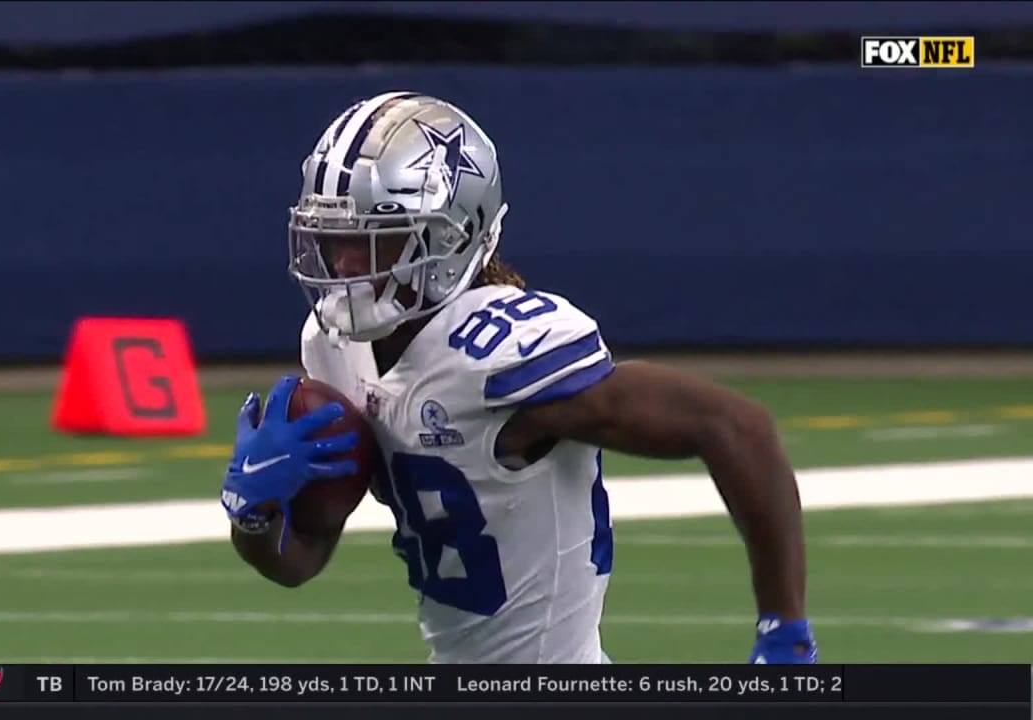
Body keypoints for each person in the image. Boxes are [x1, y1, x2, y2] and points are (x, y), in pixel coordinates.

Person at [220, 91, 817, 665]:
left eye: (373, 240)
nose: (345, 264)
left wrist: (783, 630)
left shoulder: (499, 354)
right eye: (336, 238)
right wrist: (253, 515)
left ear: (449, 238)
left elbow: (735, 426)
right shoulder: (332, 348)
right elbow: (300, 560)